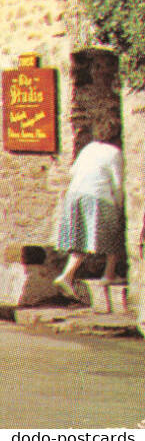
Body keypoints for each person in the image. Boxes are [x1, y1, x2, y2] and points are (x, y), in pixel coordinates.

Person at [53, 120, 126, 310]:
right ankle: (109, 274)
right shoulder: (114, 153)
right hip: (98, 195)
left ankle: (67, 274)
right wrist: (119, 206)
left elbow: (73, 171)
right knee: (115, 232)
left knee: (82, 236)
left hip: (75, 194)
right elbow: (117, 183)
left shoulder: (89, 148)